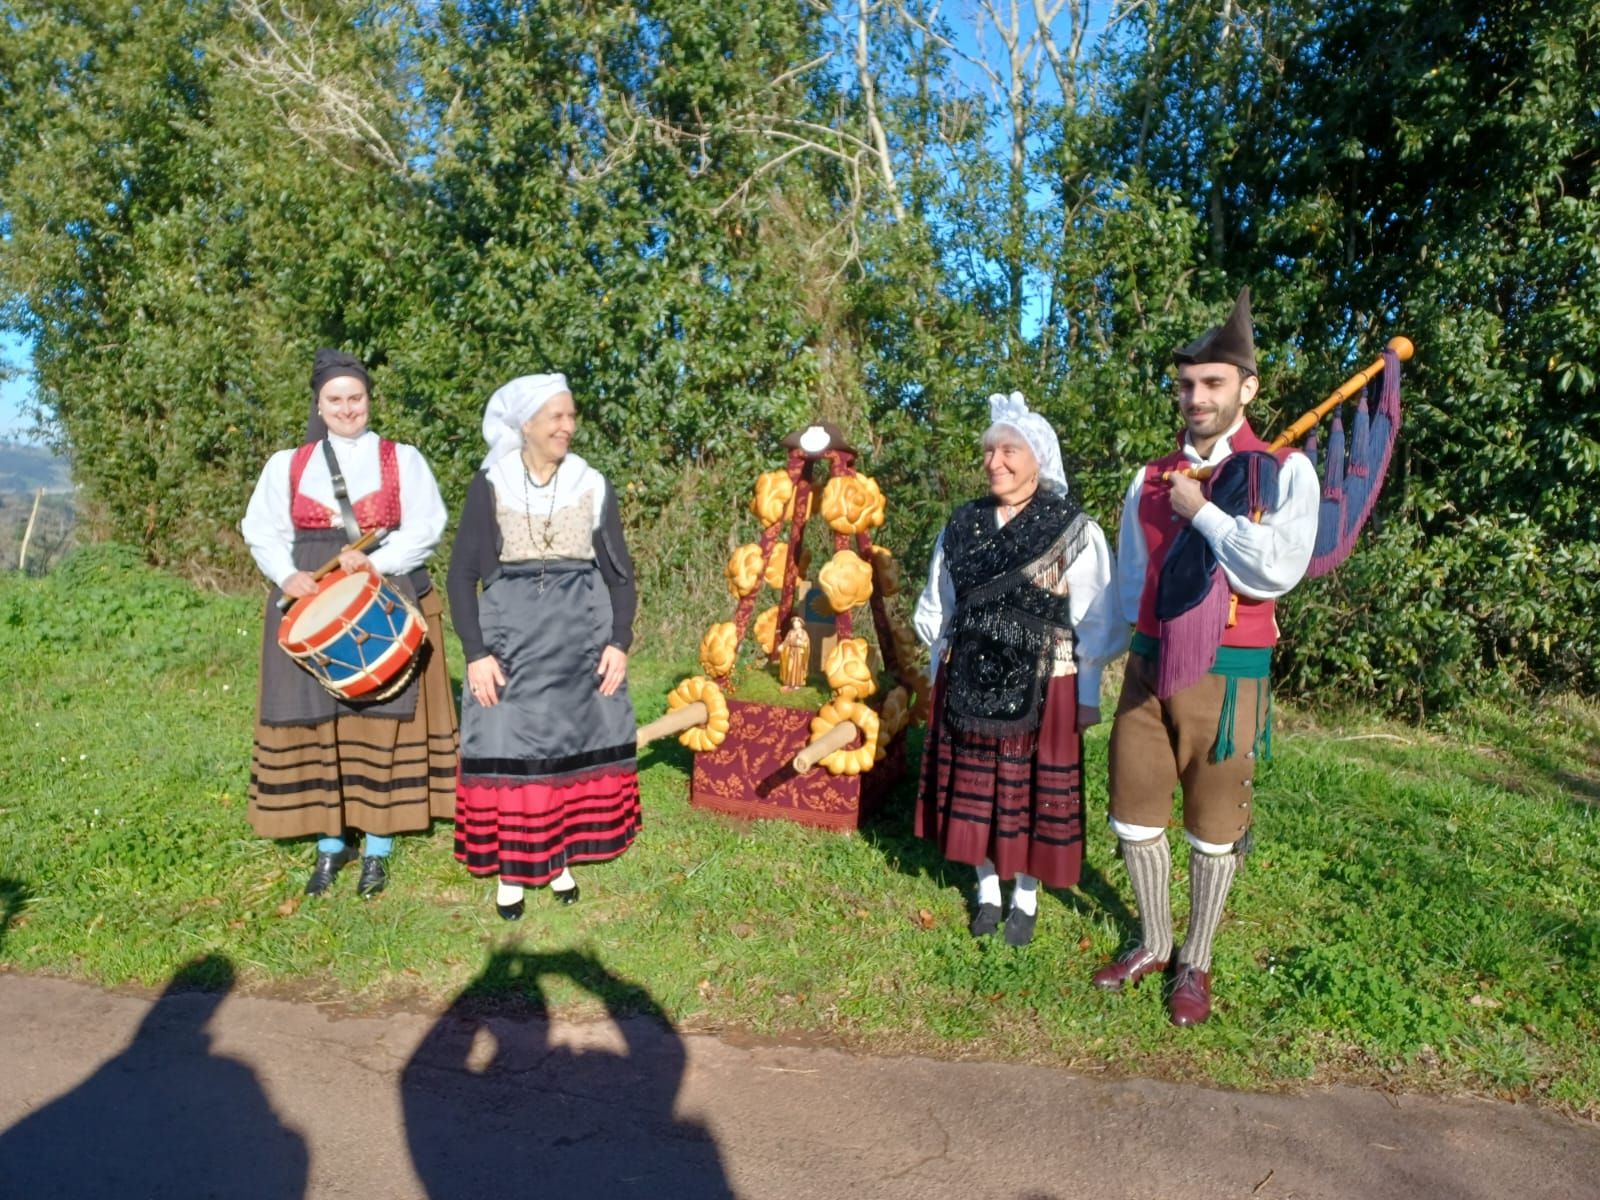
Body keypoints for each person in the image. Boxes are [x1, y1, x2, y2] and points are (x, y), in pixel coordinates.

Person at [1093, 287, 1317, 1025]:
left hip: (1230, 679)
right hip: (1150, 669)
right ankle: (1155, 941)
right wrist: (1094, 669)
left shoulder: (1283, 471)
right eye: (1187, 385)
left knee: (1214, 827)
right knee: (1133, 816)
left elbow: (1275, 570)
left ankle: (1197, 962)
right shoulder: (1148, 477)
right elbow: (1132, 583)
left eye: (1214, 384)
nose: (1197, 397)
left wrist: (1206, 512)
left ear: (1247, 389)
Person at [242, 349, 456, 898]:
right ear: (319, 404)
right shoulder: (287, 464)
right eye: (335, 400)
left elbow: (429, 525)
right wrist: (287, 576)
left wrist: (376, 562)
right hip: (312, 599)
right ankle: (331, 843)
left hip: (381, 595)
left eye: (355, 398)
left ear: (367, 399)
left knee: (380, 720)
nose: (346, 408)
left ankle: (377, 850)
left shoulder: (400, 458)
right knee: (319, 724)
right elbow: (259, 528)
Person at [913, 392, 1125, 946]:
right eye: (989, 452)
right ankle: (985, 890)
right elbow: (938, 607)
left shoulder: (1072, 529)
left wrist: (1087, 694)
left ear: (1039, 460)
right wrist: (939, 669)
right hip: (966, 683)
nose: (995, 462)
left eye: (1010, 451)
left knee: (1029, 795)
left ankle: (1025, 898)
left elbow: (1097, 620)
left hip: (1044, 686)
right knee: (975, 790)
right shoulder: (962, 524)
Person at [447, 374, 641, 920]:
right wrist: (475, 652)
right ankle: (513, 868)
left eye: (571, 416)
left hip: (581, 635)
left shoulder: (591, 482)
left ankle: (558, 859)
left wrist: (619, 641)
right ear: (525, 424)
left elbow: (620, 574)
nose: (567, 426)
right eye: (556, 416)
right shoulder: (491, 483)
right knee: (511, 739)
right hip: (511, 637)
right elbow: (462, 574)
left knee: (567, 742)